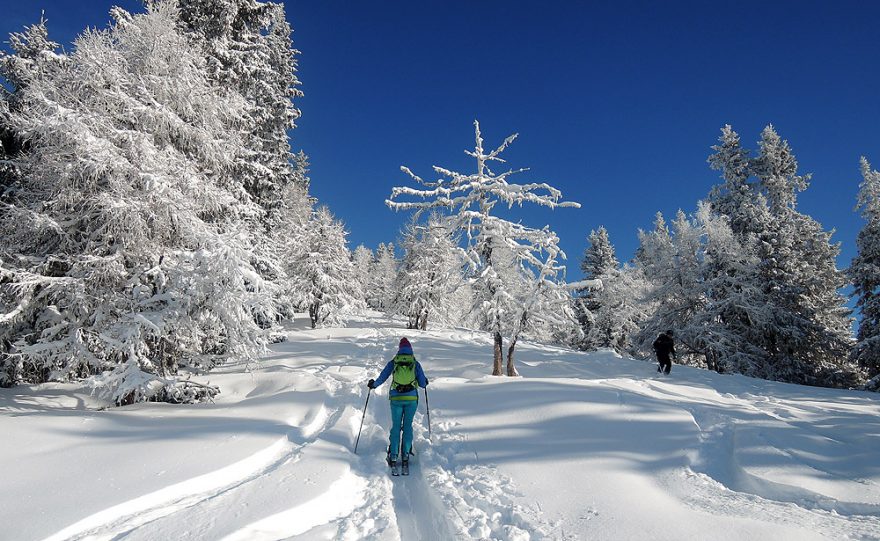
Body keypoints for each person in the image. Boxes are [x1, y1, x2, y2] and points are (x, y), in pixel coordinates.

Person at [367, 337, 428, 471]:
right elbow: (423, 384)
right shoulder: (415, 363)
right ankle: (405, 454)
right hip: (411, 399)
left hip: (396, 399)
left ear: (399, 349)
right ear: (410, 349)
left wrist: (373, 385)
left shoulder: (394, 362)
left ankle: (394, 455)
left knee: (395, 427)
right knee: (407, 426)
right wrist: (425, 381)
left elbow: (383, 376)